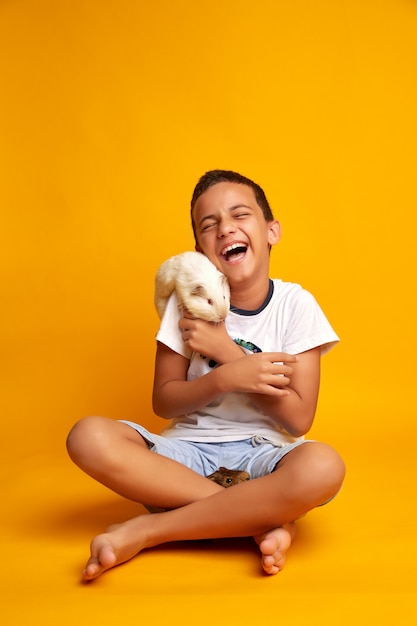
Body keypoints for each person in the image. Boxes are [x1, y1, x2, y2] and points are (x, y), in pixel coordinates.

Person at [66, 169, 345, 582]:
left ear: (272, 231)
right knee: (86, 436)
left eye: (239, 215)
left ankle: (151, 530)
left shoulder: (296, 305)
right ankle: (257, 521)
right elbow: (164, 400)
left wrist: (226, 354)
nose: (225, 229)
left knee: (323, 466)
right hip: (186, 458)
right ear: (199, 249)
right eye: (208, 225)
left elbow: (300, 419)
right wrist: (224, 379)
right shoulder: (187, 303)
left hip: (265, 457)